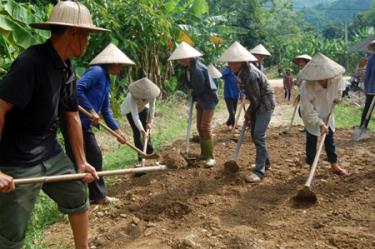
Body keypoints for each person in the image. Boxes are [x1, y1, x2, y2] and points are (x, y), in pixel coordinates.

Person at [0, 1, 109, 249]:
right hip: (18, 158)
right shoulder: (32, 63)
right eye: (87, 35)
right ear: (73, 33)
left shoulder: (65, 66)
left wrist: (81, 161)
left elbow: (70, 114)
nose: (88, 41)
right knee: (11, 232)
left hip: (50, 151)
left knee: (77, 193)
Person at [64, 43, 132, 205]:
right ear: (112, 63)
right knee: (89, 157)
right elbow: (78, 88)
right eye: (120, 65)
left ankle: (94, 196)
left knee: (92, 158)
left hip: (84, 124)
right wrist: (90, 109)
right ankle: (88, 197)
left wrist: (118, 131)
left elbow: (106, 110)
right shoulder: (97, 72)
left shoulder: (107, 80)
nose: (121, 69)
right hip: (74, 121)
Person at [220, 41, 275, 182]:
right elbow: (249, 94)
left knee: (258, 135)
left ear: (241, 62)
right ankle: (265, 163)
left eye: (232, 62)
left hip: (265, 105)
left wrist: (249, 112)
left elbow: (256, 99)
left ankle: (259, 171)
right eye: (229, 62)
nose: (229, 65)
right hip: (257, 103)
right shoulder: (238, 72)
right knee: (255, 134)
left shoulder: (250, 74)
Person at [299, 53, 349, 176]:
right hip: (311, 115)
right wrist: (320, 124)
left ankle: (334, 165)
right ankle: (311, 168)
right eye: (318, 77)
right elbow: (307, 110)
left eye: (323, 77)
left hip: (327, 112)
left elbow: (340, 89)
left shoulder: (337, 79)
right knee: (311, 140)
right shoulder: (306, 86)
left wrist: (338, 97)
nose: (321, 80)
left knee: (329, 139)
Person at [168, 42, 218, 167]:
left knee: (205, 126)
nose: (179, 60)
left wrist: (193, 93)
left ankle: (211, 157)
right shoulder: (189, 68)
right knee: (199, 126)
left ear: (187, 57)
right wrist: (194, 94)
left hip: (208, 99)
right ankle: (204, 153)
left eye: (180, 58)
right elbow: (192, 85)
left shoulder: (197, 69)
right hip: (201, 99)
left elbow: (200, 88)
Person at [120, 77, 160, 163]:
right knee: (137, 132)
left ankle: (149, 151)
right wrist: (142, 130)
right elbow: (135, 116)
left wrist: (150, 121)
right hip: (130, 111)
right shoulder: (131, 97)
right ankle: (140, 155)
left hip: (143, 109)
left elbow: (152, 108)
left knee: (147, 129)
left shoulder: (151, 95)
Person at [293, 54, 312, 132]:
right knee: (302, 111)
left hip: (309, 95)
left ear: (307, 63)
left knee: (307, 111)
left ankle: (309, 127)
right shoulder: (301, 72)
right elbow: (299, 83)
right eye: (299, 62)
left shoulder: (310, 72)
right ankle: (307, 127)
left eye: (302, 62)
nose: (300, 64)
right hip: (302, 94)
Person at [358, 41, 375, 129]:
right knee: (368, 109)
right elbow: (367, 75)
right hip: (372, 89)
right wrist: (366, 88)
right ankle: (363, 126)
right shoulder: (372, 59)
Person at [221, 65, 240, 130]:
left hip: (236, 95)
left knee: (234, 111)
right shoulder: (227, 71)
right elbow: (221, 75)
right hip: (228, 95)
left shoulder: (238, 72)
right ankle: (234, 125)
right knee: (232, 112)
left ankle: (228, 123)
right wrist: (229, 68)